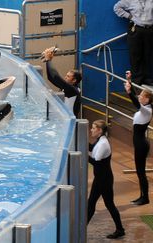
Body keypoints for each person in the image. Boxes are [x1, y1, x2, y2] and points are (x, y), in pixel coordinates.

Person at [87, 119, 125, 239]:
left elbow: (96, 163)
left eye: (93, 128)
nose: (91, 130)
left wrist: (84, 156)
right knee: (91, 203)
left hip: (104, 180)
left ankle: (120, 229)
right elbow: (91, 148)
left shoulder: (103, 144)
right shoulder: (100, 140)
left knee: (108, 204)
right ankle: (82, 228)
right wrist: (80, 137)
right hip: (100, 179)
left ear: (99, 130)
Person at [124, 71, 152, 205]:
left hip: (141, 144)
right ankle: (142, 196)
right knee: (139, 172)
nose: (139, 96)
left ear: (147, 100)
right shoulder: (145, 107)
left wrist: (129, 92)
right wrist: (129, 80)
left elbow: (136, 102)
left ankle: (145, 198)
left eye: (142, 96)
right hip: (139, 143)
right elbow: (136, 98)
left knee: (141, 173)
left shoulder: (148, 110)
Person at [114, 0, 153, 85]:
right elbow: (117, 7)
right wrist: (129, 16)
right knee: (135, 55)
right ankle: (137, 79)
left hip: (150, 29)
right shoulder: (129, 0)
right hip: (136, 29)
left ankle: (147, 78)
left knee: (148, 55)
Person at [41, 47, 82, 117]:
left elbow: (56, 77)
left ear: (74, 80)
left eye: (68, 76)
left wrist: (49, 60)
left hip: (70, 122)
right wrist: (48, 61)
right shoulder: (65, 88)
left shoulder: (74, 91)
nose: (65, 77)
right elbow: (51, 78)